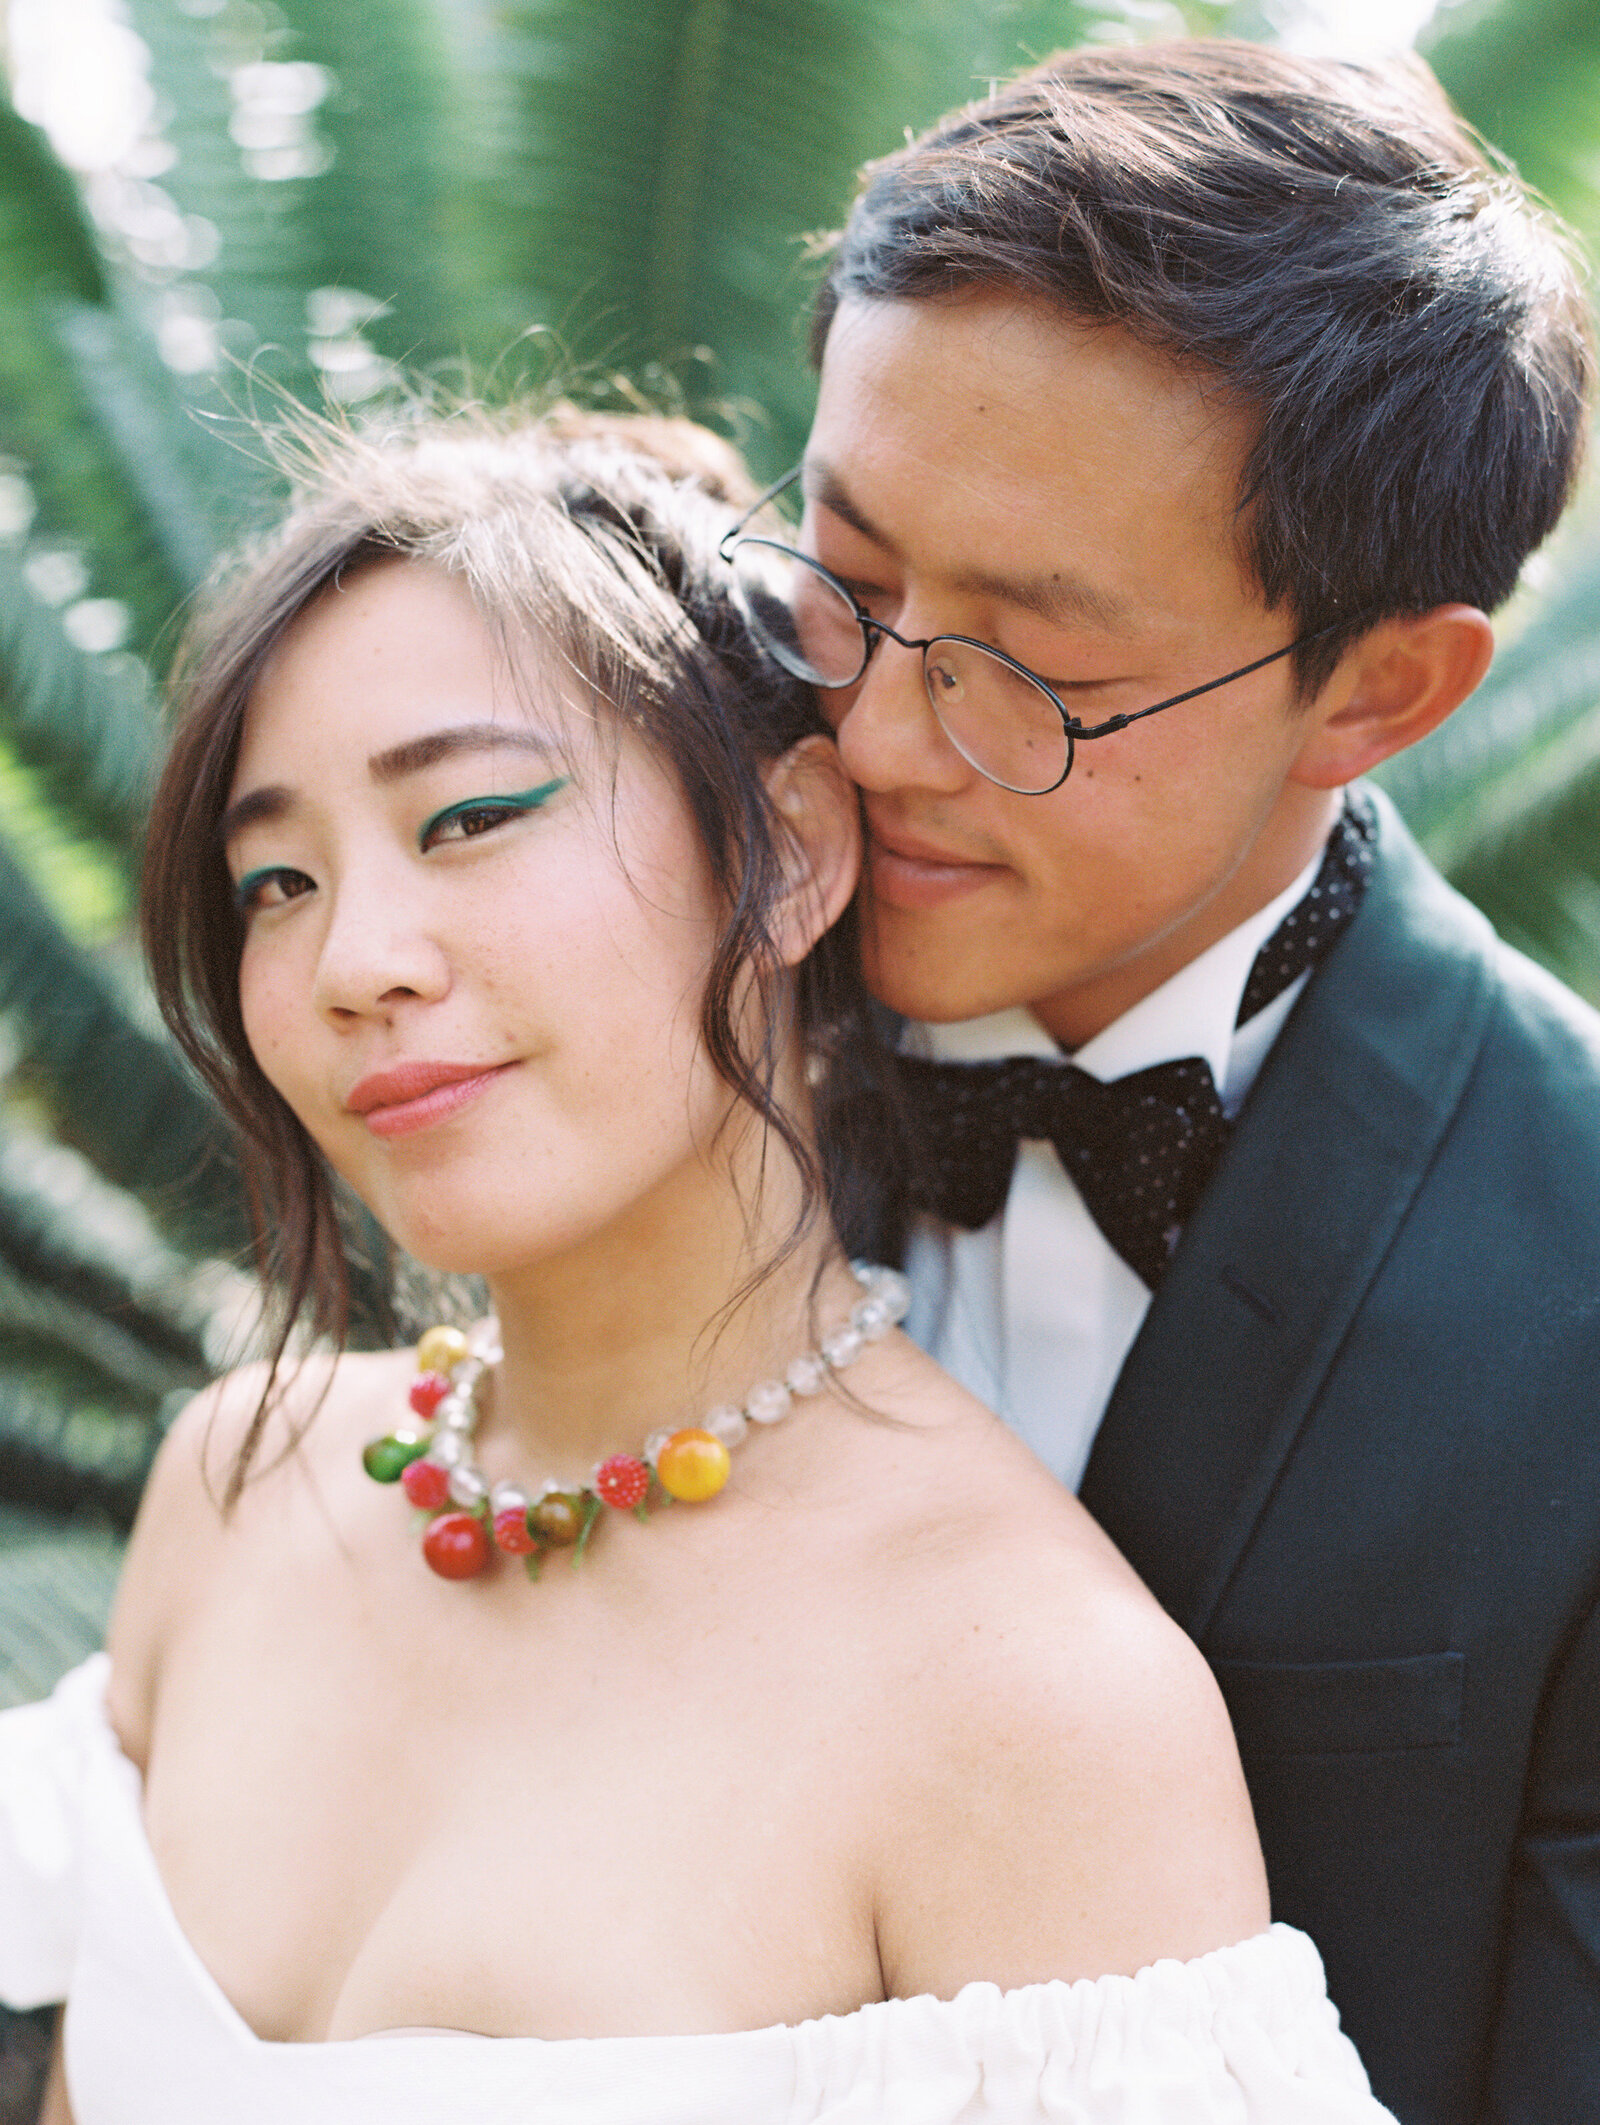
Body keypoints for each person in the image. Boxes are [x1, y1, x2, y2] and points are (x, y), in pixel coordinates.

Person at [0, 406, 1398, 2121]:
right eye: (275, 881)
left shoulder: (1028, 1700)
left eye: (467, 818)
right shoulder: (237, 1482)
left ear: (793, 849)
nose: (354, 959)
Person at [723, 37, 1597, 2125]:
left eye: (1035, 673)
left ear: (1375, 689)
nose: (880, 736)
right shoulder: (643, 1015)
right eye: (846, 576)